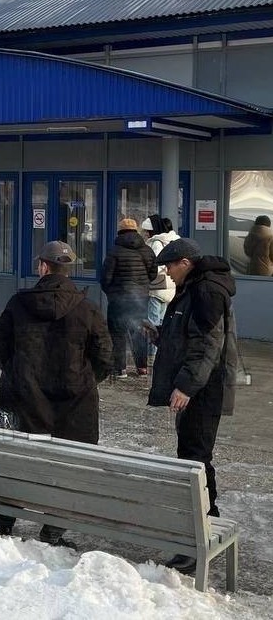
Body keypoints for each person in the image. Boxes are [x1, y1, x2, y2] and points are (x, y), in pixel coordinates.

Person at [0, 240, 112, 547]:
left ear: (43, 267)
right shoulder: (88, 309)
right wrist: (83, 382)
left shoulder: (19, 304)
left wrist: (18, 374)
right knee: (66, 468)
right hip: (73, 409)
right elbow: (105, 357)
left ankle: (4, 522)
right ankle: (52, 531)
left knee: (16, 462)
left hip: (22, 403)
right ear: (68, 271)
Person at [140, 238, 239, 574]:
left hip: (202, 392)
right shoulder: (192, 287)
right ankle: (201, 528)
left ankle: (202, 535)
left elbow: (208, 344)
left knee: (196, 459)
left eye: (169, 266)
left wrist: (185, 387)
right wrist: (160, 334)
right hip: (195, 389)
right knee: (191, 457)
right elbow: (187, 335)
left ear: (185, 262)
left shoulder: (207, 290)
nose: (167, 273)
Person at [101, 217, 157, 377]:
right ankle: (142, 368)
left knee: (117, 332)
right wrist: (142, 287)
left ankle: (120, 369)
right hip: (140, 298)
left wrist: (112, 293)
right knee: (139, 331)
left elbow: (106, 278)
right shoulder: (147, 250)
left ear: (120, 232)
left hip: (119, 299)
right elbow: (153, 273)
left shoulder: (114, 251)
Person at [142, 215, 180, 362]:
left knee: (153, 321)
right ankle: (161, 349)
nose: (145, 234)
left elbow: (157, 264)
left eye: (147, 231)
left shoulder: (157, 242)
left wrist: (149, 272)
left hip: (158, 286)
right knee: (163, 320)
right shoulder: (173, 240)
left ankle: (153, 352)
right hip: (170, 285)